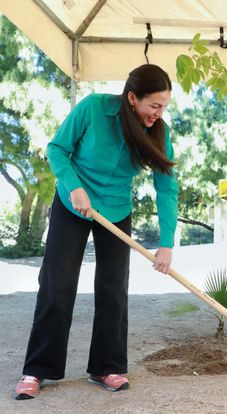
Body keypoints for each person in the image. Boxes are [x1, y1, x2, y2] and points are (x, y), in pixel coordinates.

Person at [14, 64, 178, 399]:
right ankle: (37, 369)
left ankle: (107, 366)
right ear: (132, 97)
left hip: (116, 209)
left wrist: (166, 244)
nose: (159, 115)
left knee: (113, 288)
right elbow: (57, 149)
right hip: (74, 202)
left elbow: (167, 189)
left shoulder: (158, 131)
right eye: (154, 106)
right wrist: (73, 186)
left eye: (164, 107)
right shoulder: (92, 108)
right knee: (57, 283)